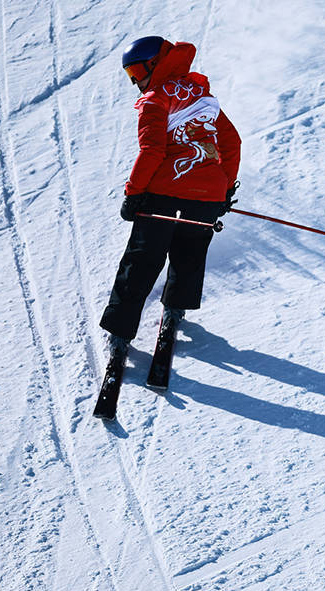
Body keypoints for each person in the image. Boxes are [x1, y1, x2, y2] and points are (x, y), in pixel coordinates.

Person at [100, 36, 241, 362]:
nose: (135, 80)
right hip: (206, 197)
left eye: (136, 70)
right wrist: (224, 189)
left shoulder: (154, 101)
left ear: (155, 64)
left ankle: (121, 330)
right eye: (129, 74)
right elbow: (232, 143)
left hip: (162, 195)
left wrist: (133, 194)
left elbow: (152, 151)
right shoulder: (200, 94)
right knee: (189, 252)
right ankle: (176, 307)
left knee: (141, 260)